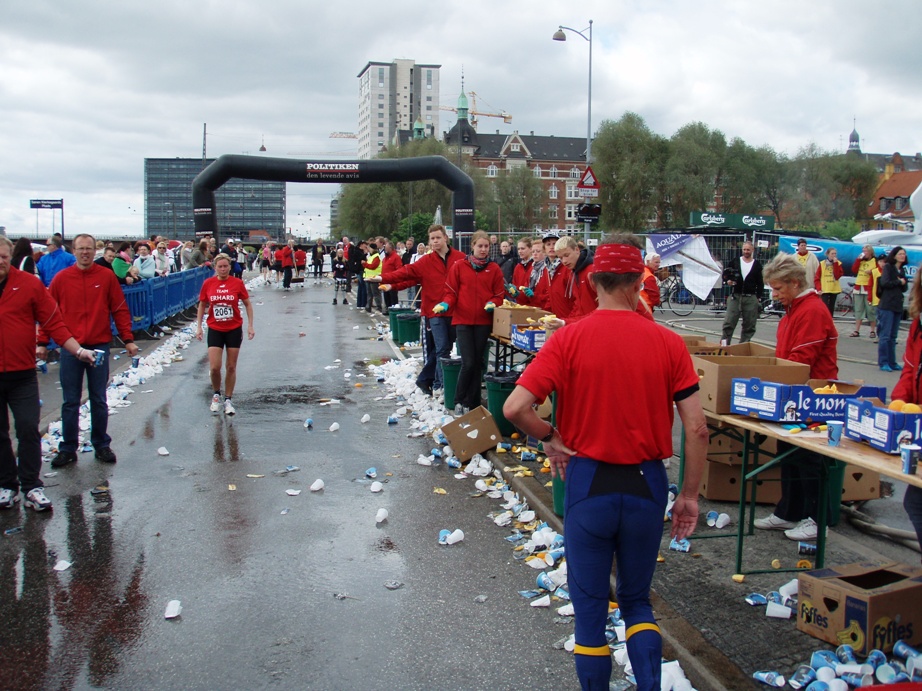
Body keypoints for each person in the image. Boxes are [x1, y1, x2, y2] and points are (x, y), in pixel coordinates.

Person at [503, 234, 708, 691]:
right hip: (645, 485)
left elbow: (515, 407)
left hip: (588, 481)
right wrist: (689, 496)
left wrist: (551, 437)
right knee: (637, 601)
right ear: (639, 282)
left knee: (592, 610)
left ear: (593, 280)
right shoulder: (669, 343)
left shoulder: (567, 339)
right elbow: (697, 428)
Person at [0, 236, 97, 512]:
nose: (0, 262)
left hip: (22, 374)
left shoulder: (29, 284)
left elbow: (54, 322)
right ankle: (7, 485)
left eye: (4, 257)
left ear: (11, 256)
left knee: (28, 428)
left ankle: (31, 486)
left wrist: (78, 351)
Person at [754, 253, 838, 541]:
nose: (774, 295)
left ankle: (817, 518)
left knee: (807, 457)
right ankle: (789, 511)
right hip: (795, 391)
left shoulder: (811, 311)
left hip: (812, 393)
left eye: (777, 289)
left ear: (793, 283)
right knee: (788, 452)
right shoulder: (795, 310)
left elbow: (801, 359)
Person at [38, 234, 139, 467]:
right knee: (70, 401)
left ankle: (101, 444)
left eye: (89, 249)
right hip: (71, 348)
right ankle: (68, 448)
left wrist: (128, 339)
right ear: (73, 251)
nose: (85, 252)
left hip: (99, 345)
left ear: (96, 251)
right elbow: (49, 314)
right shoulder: (61, 279)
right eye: (81, 248)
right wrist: (42, 341)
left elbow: (120, 309)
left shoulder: (106, 277)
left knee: (98, 399)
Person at [377, 224, 466, 396]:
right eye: (432, 238)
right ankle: (440, 385)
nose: (435, 241)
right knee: (441, 348)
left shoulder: (460, 258)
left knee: (447, 347)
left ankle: (427, 380)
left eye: (438, 238)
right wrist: (386, 280)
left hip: (455, 311)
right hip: (434, 312)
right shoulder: (425, 261)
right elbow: (407, 274)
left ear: (445, 238)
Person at [436, 231, 504, 414]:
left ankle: (473, 402)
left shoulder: (494, 269)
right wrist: (446, 304)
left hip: (483, 321)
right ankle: (459, 400)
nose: (483, 250)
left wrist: (493, 303)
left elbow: (499, 294)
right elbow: (451, 291)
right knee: (468, 362)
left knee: (479, 362)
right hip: (463, 320)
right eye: (480, 246)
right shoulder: (459, 266)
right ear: (472, 246)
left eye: (486, 246)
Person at [888, 268, 922, 562]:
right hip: (917, 425)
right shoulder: (918, 323)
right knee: (915, 501)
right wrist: (899, 402)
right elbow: (910, 368)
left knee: (916, 502)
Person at [195, 253, 255, 416]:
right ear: (215, 268)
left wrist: (250, 326)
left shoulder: (237, 283)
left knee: (231, 366)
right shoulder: (208, 283)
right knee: (215, 367)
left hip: (233, 328)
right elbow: (202, 305)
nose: (223, 269)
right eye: (220, 267)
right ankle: (216, 394)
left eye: (225, 266)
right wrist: (199, 326)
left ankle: (228, 399)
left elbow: (247, 304)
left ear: (230, 267)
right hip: (215, 328)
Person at [720, 241, 764, 345]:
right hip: (735, 296)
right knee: (729, 322)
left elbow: (760, 283)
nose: (746, 251)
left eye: (748, 250)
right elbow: (726, 275)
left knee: (749, 324)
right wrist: (728, 281)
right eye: (744, 249)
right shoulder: (735, 261)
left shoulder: (757, 265)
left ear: (752, 250)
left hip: (750, 297)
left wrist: (758, 297)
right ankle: (724, 345)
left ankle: (743, 346)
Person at [877, 246, 908, 372]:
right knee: (885, 335)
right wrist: (898, 282)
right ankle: (883, 361)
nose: (902, 256)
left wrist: (902, 283)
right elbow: (885, 283)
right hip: (887, 304)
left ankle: (892, 361)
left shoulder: (902, 270)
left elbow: (904, 287)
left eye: (904, 254)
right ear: (894, 255)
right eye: (900, 254)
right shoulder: (889, 267)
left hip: (897, 305)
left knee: (893, 336)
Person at [850, 244, 878, 339]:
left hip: (868, 287)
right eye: (863, 251)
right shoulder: (860, 260)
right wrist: (858, 260)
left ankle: (872, 331)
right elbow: (854, 270)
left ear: (870, 252)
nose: (864, 253)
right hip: (859, 286)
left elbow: (879, 270)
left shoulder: (875, 261)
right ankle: (857, 330)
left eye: (866, 251)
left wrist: (872, 271)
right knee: (858, 309)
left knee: (870, 310)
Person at [814, 247, 843, 316]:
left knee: (831, 307)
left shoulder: (838, 263)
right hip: (825, 289)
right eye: (832, 253)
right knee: (824, 306)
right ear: (828, 254)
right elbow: (817, 277)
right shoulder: (822, 263)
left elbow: (837, 276)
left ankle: (830, 321)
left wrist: (835, 264)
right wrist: (818, 288)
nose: (834, 255)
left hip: (834, 288)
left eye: (835, 254)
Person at [362, 242, 384, 314]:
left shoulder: (376, 257)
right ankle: (368, 307)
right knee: (370, 293)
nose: (368, 249)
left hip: (374, 278)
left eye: (369, 248)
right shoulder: (372, 256)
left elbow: (373, 266)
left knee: (375, 293)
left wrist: (364, 264)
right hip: (369, 277)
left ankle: (378, 307)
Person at [381, 241, 402, 312]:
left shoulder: (396, 257)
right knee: (386, 297)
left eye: (386, 248)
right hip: (385, 281)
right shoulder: (385, 258)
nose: (385, 250)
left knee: (393, 297)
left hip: (392, 282)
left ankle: (394, 310)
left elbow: (399, 269)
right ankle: (388, 309)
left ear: (391, 248)